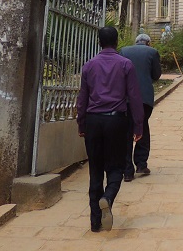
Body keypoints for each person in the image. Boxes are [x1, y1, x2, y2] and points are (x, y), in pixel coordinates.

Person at [76, 26, 144, 233]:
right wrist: (138, 125)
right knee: (115, 167)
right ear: (116, 43)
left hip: (93, 121)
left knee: (95, 169)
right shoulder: (125, 64)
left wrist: (81, 123)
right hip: (116, 121)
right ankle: (108, 197)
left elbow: (82, 99)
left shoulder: (89, 66)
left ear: (99, 42)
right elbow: (134, 96)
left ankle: (95, 222)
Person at [119, 33, 162, 182]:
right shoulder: (152, 52)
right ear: (148, 43)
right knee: (142, 127)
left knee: (126, 131)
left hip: (126, 98)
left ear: (135, 41)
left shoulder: (124, 51)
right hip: (144, 99)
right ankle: (141, 164)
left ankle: (127, 171)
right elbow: (156, 75)